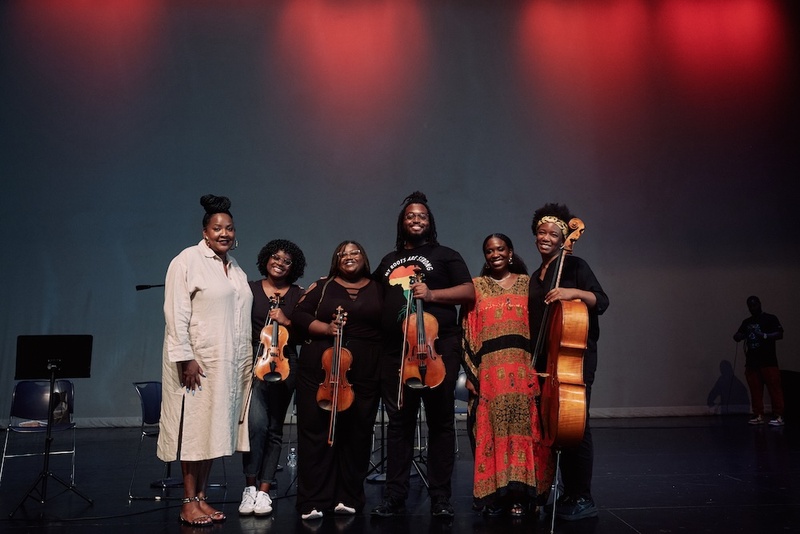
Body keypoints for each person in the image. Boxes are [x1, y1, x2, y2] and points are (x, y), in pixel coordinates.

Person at [371, 191, 474, 518]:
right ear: (402, 222)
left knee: (441, 422)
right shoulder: (389, 259)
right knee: (399, 424)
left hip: (437, 349)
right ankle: (395, 495)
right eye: (410, 216)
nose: (416, 219)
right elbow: (372, 293)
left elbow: (469, 290)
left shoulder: (446, 255)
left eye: (422, 216)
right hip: (397, 353)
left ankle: (441, 497)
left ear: (430, 222)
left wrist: (431, 294)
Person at [158, 194, 253, 527]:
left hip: (228, 365)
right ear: (205, 232)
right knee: (194, 430)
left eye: (229, 228)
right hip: (198, 364)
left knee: (214, 430)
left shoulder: (235, 268)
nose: (224, 233)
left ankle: (201, 497)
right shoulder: (187, 260)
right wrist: (186, 359)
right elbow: (176, 313)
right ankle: (187, 501)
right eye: (217, 228)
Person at [461, 233, 554, 517]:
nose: (495, 254)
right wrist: (472, 375)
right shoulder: (476, 286)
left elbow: (544, 325)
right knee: (493, 434)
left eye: (500, 249)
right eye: (489, 251)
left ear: (510, 252)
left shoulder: (528, 284)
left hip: (524, 371)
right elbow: (467, 329)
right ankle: (496, 497)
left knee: (525, 434)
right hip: (490, 376)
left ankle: (522, 497)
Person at [528, 203, 608, 522]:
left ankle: (582, 495)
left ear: (564, 239)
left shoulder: (575, 266)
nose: (546, 237)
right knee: (555, 428)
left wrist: (571, 292)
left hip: (574, 360)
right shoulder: (536, 276)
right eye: (541, 232)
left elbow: (601, 301)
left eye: (553, 233)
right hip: (547, 362)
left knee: (577, 426)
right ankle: (564, 490)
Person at [292, 241, 383, 520]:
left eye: (355, 252)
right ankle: (313, 499)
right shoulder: (323, 286)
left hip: (365, 370)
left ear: (364, 257)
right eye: (343, 253)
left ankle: (348, 495)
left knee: (357, 433)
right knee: (316, 432)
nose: (349, 256)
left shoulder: (379, 287)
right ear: (336, 260)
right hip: (321, 369)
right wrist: (326, 328)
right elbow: (299, 315)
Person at [239, 240, 307, 516]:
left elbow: (304, 334)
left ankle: (264, 490)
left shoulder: (298, 294)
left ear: (294, 267)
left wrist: (287, 321)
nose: (280, 263)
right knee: (256, 426)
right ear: (266, 259)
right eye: (275, 257)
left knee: (275, 428)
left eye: (287, 261)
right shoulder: (251, 290)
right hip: (256, 360)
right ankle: (249, 487)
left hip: (286, 361)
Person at [733, 296, 785, 426]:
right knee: (755, 390)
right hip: (752, 362)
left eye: (754, 305)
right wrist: (740, 336)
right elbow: (737, 336)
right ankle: (758, 415)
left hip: (768, 361)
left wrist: (764, 335)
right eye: (750, 306)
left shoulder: (770, 318)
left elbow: (779, 334)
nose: (752, 308)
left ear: (759, 304)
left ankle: (778, 415)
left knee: (774, 389)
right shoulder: (747, 322)